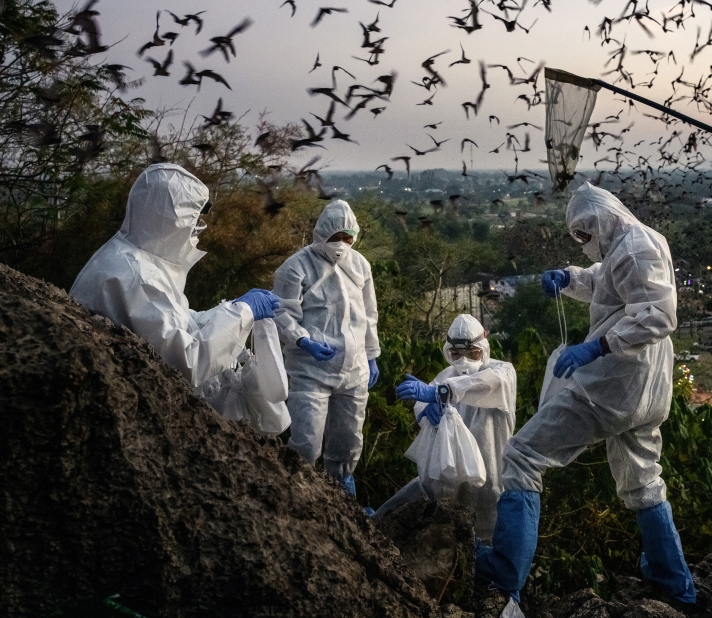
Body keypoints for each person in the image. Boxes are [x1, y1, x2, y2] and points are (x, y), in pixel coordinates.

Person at [475, 182, 696, 610]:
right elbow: (607, 282)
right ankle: (676, 586)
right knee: (643, 480)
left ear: (601, 220)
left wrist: (596, 347)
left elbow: (659, 314)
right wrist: (569, 278)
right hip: (650, 392)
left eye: (583, 233)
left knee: (522, 455)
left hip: (614, 387)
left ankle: (504, 571)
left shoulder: (632, 246)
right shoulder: (634, 241)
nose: (582, 243)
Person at [70, 163, 279, 392]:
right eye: (194, 221)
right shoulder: (137, 276)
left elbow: (177, 322)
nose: (197, 230)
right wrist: (242, 314)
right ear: (170, 221)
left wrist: (231, 310)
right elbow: (187, 363)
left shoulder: (129, 255)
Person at [271, 199, 380, 496]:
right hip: (310, 370)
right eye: (336, 238)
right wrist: (303, 340)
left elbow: (368, 315)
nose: (342, 244)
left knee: (348, 440)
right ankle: (297, 494)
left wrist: (371, 356)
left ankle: (343, 495)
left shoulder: (360, 265)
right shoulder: (295, 268)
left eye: (348, 238)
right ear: (321, 235)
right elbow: (282, 313)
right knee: (307, 441)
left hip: (354, 369)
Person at [378, 314, 516, 543]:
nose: (463, 361)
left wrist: (440, 393)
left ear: (484, 348)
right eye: (456, 354)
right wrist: (425, 410)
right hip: (451, 478)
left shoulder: (502, 372)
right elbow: (426, 399)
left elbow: (478, 385)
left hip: (491, 481)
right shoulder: (446, 377)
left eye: (472, 353)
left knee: (485, 541)